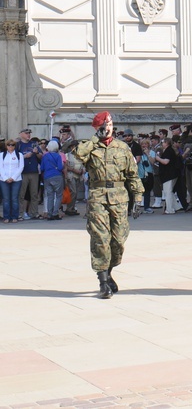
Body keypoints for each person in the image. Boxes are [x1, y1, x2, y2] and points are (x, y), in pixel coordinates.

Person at [73, 111, 144, 299]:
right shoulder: (90, 147)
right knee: (100, 239)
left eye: (110, 123)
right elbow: (78, 155)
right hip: (98, 198)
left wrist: (138, 198)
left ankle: (109, 270)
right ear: (97, 127)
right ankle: (103, 281)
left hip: (119, 198)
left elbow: (132, 174)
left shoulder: (122, 147)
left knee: (119, 240)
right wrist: (96, 139)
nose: (109, 127)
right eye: (105, 124)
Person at [17, 128, 42, 220]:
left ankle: (34, 212)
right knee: (21, 194)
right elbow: (14, 158)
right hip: (23, 172)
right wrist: (24, 156)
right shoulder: (18, 145)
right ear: (21, 134)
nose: (28, 135)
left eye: (29, 133)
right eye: (26, 133)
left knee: (34, 193)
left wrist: (37, 152)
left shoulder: (34, 144)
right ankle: (20, 213)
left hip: (34, 172)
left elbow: (41, 156)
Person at [40, 140, 65, 220]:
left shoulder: (45, 156)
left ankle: (49, 213)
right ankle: (55, 213)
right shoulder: (58, 156)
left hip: (47, 177)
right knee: (58, 195)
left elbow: (42, 168)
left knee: (49, 195)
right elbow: (60, 167)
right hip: (57, 176)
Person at [1, 139, 24, 223]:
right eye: (9, 145)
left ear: (15, 146)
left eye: (12, 145)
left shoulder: (19, 155)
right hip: (4, 179)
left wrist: (13, 178)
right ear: (6, 146)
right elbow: (1, 167)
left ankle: (15, 216)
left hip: (16, 179)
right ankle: (6, 216)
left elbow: (21, 167)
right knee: (6, 199)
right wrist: (6, 177)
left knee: (14, 198)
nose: (11, 146)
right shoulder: (2, 155)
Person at [154, 137, 180, 214]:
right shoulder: (168, 150)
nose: (162, 144)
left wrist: (157, 158)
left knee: (167, 192)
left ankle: (170, 209)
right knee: (169, 192)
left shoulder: (169, 151)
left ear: (166, 143)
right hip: (169, 174)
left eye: (163, 142)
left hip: (169, 175)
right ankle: (175, 206)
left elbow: (166, 162)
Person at [139, 139, 155, 214]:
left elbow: (152, 162)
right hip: (140, 174)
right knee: (138, 192)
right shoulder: (138, 153)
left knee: (147, 191)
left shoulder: (152, 153)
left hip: (149, 174)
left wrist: (148, 154)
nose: (144, 145)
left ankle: (147, 207)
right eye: (142, 144)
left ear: (148, 145)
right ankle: (137, 207)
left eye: (145, 144)